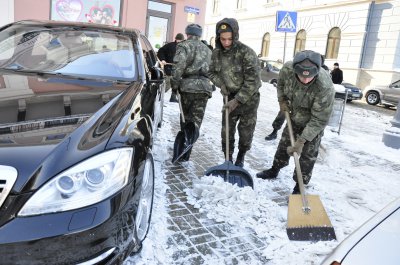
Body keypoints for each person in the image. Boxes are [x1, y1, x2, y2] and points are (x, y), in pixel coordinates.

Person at [256, 50, 335, 194]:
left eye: (309, 77)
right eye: (301, 76)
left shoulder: (325, 87)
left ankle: (300, 186)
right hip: (293, 116)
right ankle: (275, 169)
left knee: (307, 156)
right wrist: (282, 101)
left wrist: (302, 140)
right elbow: (280, 86)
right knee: (283, 145)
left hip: (313, 122)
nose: (305, 80)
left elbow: (320, 119)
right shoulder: (287, 69)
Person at [208, 18, 261, 167]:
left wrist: (237, 100)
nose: (226, 43)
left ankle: (241, 157)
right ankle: (228, 158)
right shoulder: (216, 53)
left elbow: (253, 82)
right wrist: (221, 84)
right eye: (223, 39)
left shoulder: (247, 53)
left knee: (245, 134)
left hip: (248, 101)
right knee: (226, 132)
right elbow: (211, 72)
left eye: (229, 39)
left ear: (235, 36)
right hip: (228, 97)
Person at [170, 24, 213, 161]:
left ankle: (183, 149)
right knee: (196, 123)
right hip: (204, 89)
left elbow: (178, 67)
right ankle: (187, 153)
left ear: (187, 33)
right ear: (200, 34)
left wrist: (174, 86)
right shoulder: (207, 49)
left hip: (188, 88)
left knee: (185, 120)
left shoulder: (184, 46)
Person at [157, 33, 185, 102]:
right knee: (168, 83)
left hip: (180, 69)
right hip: (169, 67)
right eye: (178, 40)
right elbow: (161, 51)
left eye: (180, 40)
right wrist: (163, 59)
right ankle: (158, 95)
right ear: (175, 39)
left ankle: (173, 97)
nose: (179, 41)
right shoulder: (170, 46)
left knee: (177, 83)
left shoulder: (185, 47)